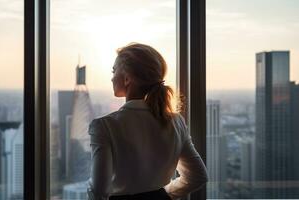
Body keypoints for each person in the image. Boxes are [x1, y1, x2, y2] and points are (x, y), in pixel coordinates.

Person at [87, 42, 208, 200]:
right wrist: (161, 195)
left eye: (114, 70)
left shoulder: (105, 126)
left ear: (127, 78)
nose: (111, 78)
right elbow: (197, 176)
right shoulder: (176, 121)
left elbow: (98, 192)